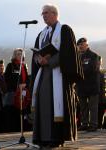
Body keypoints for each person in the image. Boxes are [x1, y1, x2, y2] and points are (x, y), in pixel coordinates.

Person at [30, 4, 83, 149]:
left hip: (58, 74)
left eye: (46, 13)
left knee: (55, 105)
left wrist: (50, 61)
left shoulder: (64, 30)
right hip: (43, 74)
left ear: (54, 14)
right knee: (42, 104)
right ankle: (42, 137)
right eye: (42, 14)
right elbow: (36, 53)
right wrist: (39, 60)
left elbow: (68, 53)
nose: (44, 16)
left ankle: (56, 137)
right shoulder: (42, 33)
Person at [4, 48, 31, 132]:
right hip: (13, 92)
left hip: (22, 92)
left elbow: (27, 78)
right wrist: (17, 85)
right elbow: (7, 79)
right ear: (15, 55)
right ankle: (11, 130)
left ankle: (20, 129)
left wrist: (25, 84)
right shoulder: (10, 65)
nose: (20, 55)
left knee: (21, 111)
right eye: (18, 54)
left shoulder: (23, 66)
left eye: (21, 54)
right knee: (12, 111)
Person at [76, 37, 101, 132]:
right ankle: (84, 123)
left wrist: (78, 72)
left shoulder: (94, 56)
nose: (81, 46)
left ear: (87, 45)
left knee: (93, 107)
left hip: (92, 86)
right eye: (79, 45)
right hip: (81, 86)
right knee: (83, 107)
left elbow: (92, 69)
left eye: (82, 44)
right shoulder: (77, 57)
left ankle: (93, 125)